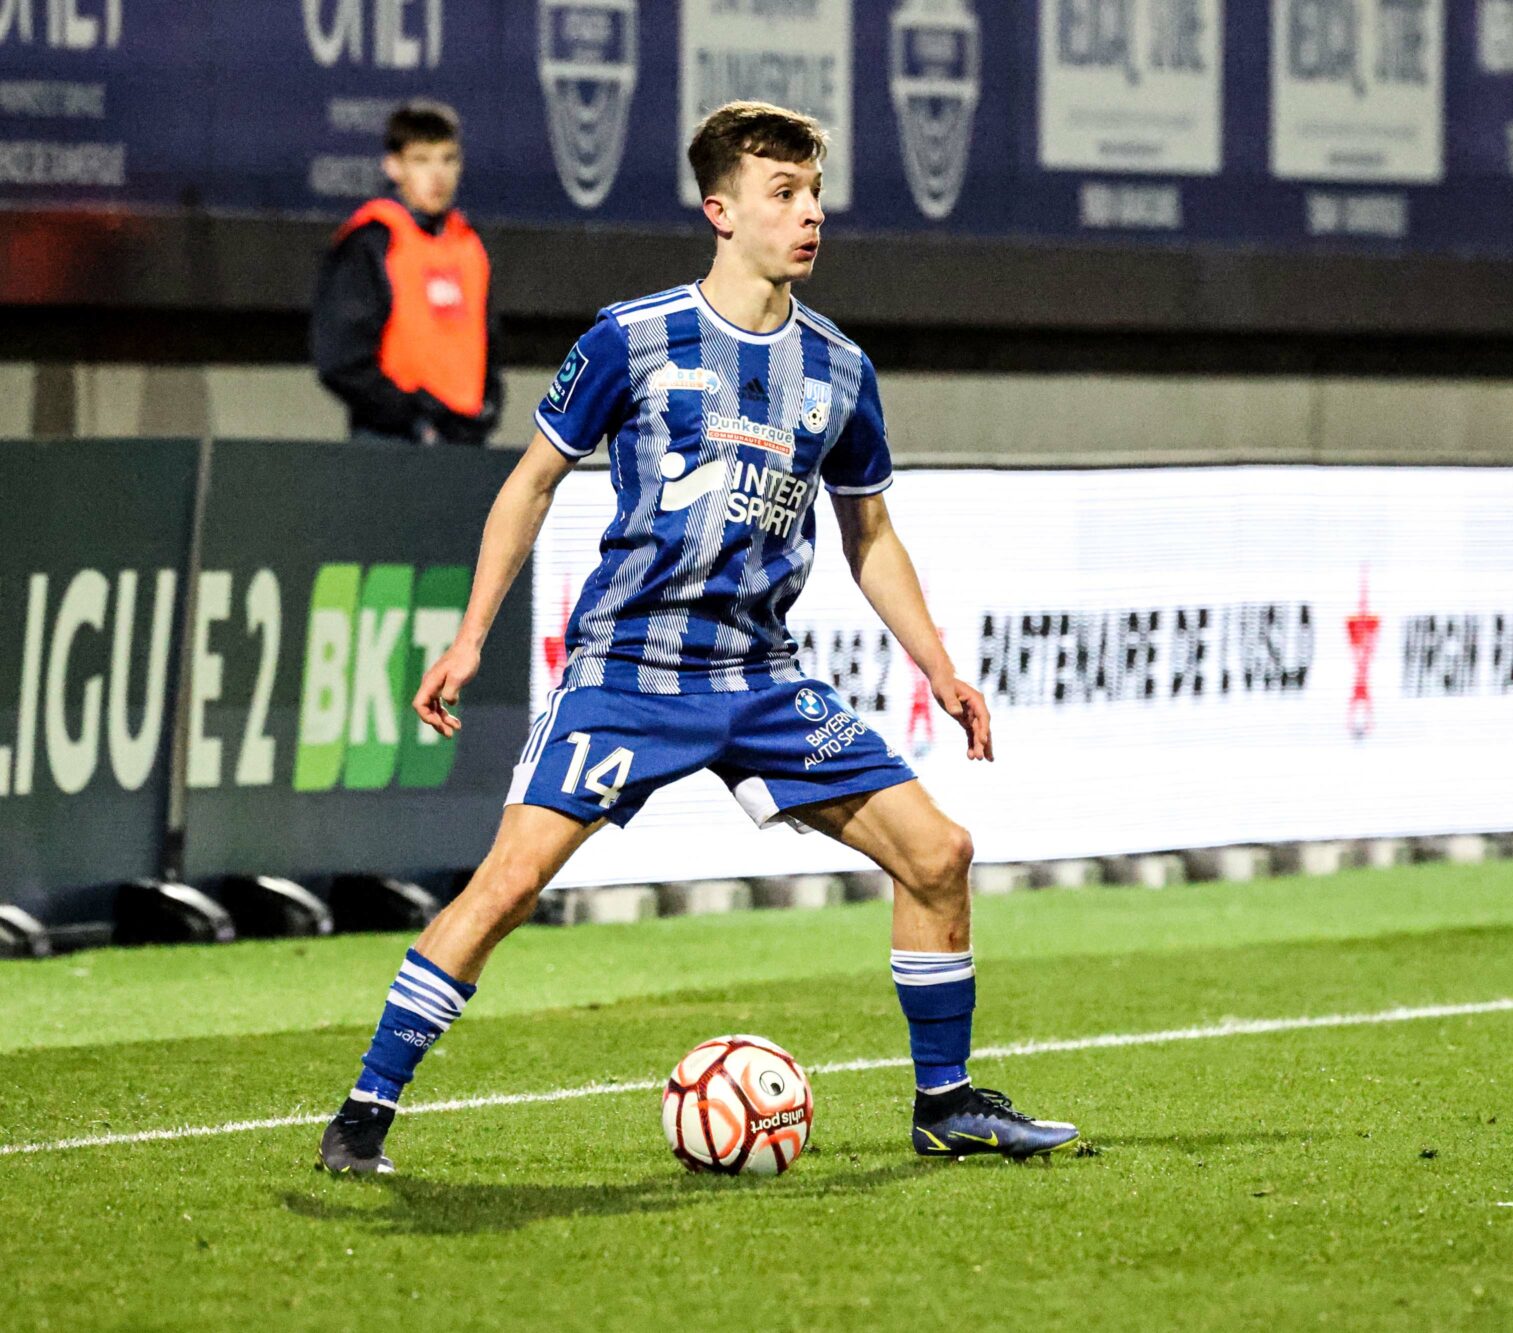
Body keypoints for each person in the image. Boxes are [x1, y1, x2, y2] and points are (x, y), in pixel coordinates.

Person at [315, 101, 1080, 1174]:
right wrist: (469, 635)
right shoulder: (628, 336)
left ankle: (945, 1102)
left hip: (761, 681)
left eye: (814, 193)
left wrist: (939, 668)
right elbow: (531, 483)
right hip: (629, 670)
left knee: (938, 852)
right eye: (784, 194)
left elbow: (869, 533)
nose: (808, 215)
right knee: (507, 884)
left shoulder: (840, 371)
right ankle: (363, 1113)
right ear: (721, 212)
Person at [310, 99, 502, 447]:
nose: (437, 175)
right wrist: (415, 416)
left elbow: (486, 343)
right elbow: (341, 360)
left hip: (465, 442)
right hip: (392, 442)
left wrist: (489, 404)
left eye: (448, 159)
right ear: (393, 167)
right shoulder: (372, 241)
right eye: (421, 160)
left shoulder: (469, 244)